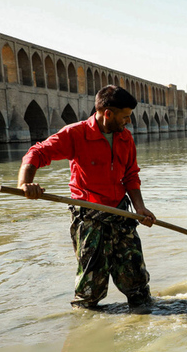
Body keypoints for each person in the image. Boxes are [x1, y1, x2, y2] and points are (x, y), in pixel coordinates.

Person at [17, 85, 156, 311]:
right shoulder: (76, 134)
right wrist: (25, 184)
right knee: (90, 289)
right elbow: (37, 152)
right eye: (125, 116)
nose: (128, 121)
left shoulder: (125, 138)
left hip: (121, 216)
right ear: (107, 113)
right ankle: (86, 326)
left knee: (137, 283)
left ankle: (143, 318)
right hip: (90, 218)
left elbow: (131, 175)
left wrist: (139, 208)